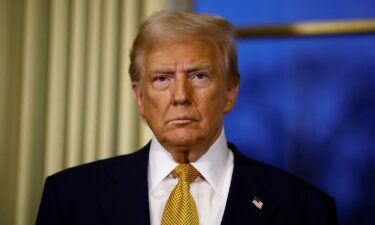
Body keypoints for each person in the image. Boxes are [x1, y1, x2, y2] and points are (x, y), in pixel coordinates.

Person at [36, 11, 338, 225]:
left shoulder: (305, 210)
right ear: (140, 97)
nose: (180, 95)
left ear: (230, 92)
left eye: (199, 75)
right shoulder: (70, 199)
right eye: (162, 79)